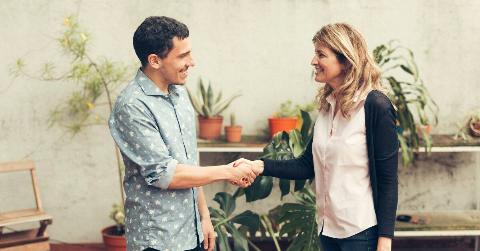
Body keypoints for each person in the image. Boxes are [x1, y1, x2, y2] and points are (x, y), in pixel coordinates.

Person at [236, 23, 398, 251]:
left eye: (321, 54)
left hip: (361, 233)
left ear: (344, 60)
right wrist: (258, 165)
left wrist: (385, 241)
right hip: (327, 230)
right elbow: (306, 165)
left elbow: (388, 180)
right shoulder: (328, 105)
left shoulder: (375, 106)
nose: (313, 61)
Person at [109, 16, 257, 251]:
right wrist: (227, 171)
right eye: (182, 56)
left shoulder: (179, 94)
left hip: (192, 231)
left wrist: (204, 217)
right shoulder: (133, 105)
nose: (192, 62)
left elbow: (190, 164)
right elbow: (165, 175)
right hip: (158, 240)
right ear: (155, 61)